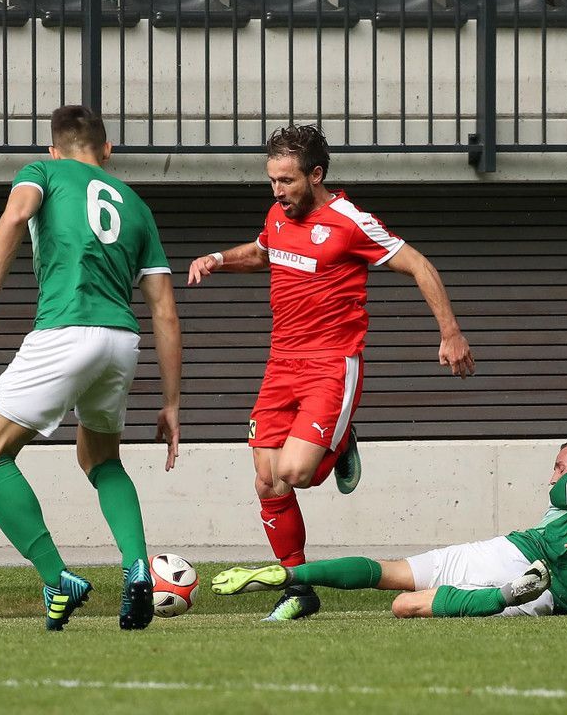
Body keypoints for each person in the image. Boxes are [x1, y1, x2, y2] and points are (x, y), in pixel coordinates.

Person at [187, 125, 474, 621]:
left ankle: (341, 442)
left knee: (295, 473)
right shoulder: (277, 215)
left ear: (316, 175)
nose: (277, 191)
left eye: (287, 181)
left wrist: (450, 333)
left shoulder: (350, 222)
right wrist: (217, 259)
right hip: (281, 363)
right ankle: (297, 587)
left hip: (331, 365)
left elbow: (419, 265)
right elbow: (263, 252)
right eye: (272, 180)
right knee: (267, 482)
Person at [0, 105, 181, 632]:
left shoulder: (43, 172)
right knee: (101, 459)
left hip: (65, 330)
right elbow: (166, 313)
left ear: (53, 150)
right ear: (108, 150)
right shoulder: (136, 205)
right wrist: (171, 403)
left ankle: (57, 578)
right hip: (121, 342)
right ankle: (137, 566)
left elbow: (16, 215)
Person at [212, 437, 567, 619]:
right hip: (547, 600)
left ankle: (291, 575)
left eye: (559, 466)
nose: (553, 476)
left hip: (512, 552)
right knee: (403, 607)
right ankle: (506, 596)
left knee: (393, 576)